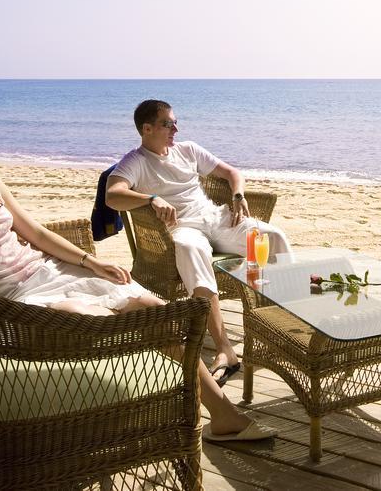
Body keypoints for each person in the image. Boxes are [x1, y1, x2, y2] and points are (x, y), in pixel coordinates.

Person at [0, 111, 275, 443]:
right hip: (6, 298)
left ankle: (224, 417)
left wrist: (90, 262)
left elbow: (36, 234)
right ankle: (131, 412)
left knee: (158, 310)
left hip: (48, 272)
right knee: (95, 318)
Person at [105, 99, 292, 386]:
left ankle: (279, 327)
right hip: (184, 228)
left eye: (175, 122)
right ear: (147, 128)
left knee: (272, 238)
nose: (175, 129)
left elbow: (231, 173)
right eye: (168, 123)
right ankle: (224, 348)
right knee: (191, 250)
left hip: (217, 219)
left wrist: (239, 195)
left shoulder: (188, 150)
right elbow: (113, 195)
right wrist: (151, 198)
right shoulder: (136, 161)